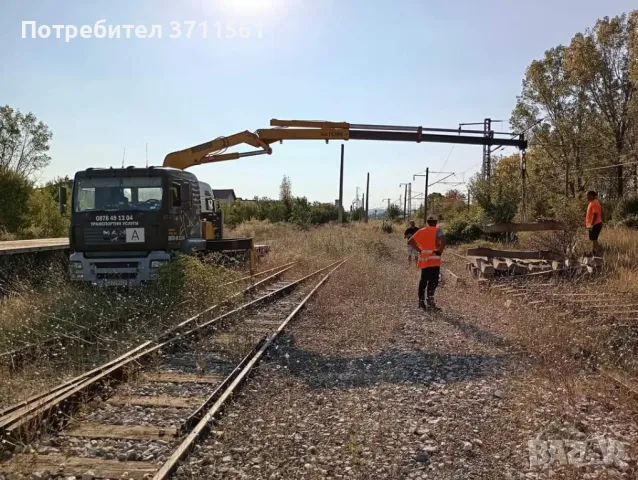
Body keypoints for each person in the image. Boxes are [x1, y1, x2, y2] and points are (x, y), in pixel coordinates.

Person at [408, 214, 446, 310]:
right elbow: (443, 239)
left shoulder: (421, 231)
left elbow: (410, 241)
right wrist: (440, 251)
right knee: (433, 282)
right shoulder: (438, 230)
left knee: (423, 281)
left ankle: (421, 302)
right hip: (434, 260)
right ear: (436, 222)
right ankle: (430, 302)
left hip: (424, 261)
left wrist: (420, 250)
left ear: (427, 222)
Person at [586, 190, 603, 256]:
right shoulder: (592, 202)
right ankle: (595, 252)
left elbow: (595, 215)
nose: (587, 197)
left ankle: (597, 253)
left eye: (588, 195)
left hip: (595, 224)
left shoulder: (594, 203)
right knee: (594, 239)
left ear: (592, 196)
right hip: (594, 224)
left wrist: (591, 225)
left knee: (594, 239)